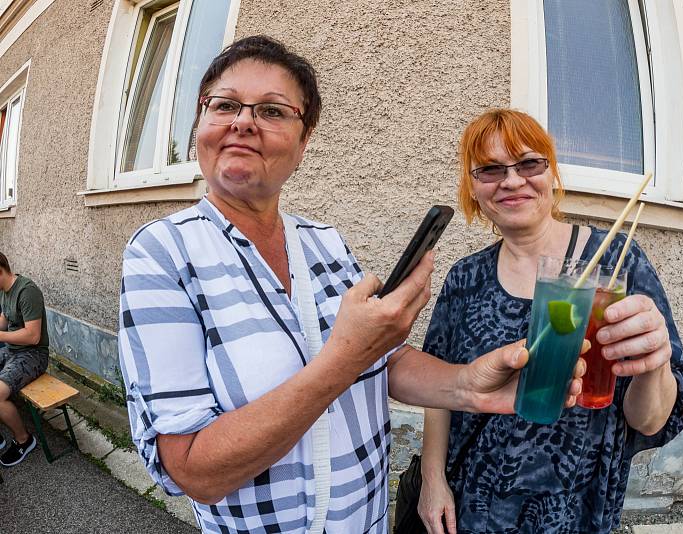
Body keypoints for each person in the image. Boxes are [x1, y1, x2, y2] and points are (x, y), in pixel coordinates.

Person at [117, 37, 585, 534]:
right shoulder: (162, 253)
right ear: (200, 124)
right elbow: (193, 470)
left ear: (303, 143)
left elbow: (382, 360)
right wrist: (344, 356)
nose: (243, 121)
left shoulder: (323, 243)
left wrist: (469, 386)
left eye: (272, 111)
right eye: (225, 104)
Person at [418, 109, 683, 534]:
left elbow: (650, 421)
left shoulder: (616, 263)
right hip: (476, 501)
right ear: (472, 189)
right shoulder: (465, 278)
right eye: (489, 170)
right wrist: (433, 480)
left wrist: (654, 366)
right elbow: (438, 388)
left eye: (529, 163)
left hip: (576, 509)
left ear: (551, 172)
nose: (511, 181)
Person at [0, 251, 49, 467]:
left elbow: (32, 336)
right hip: (12, 350)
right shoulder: (4, 290)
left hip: (33, 354)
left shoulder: (27, 291)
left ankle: (24, 440)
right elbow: (3, 321)